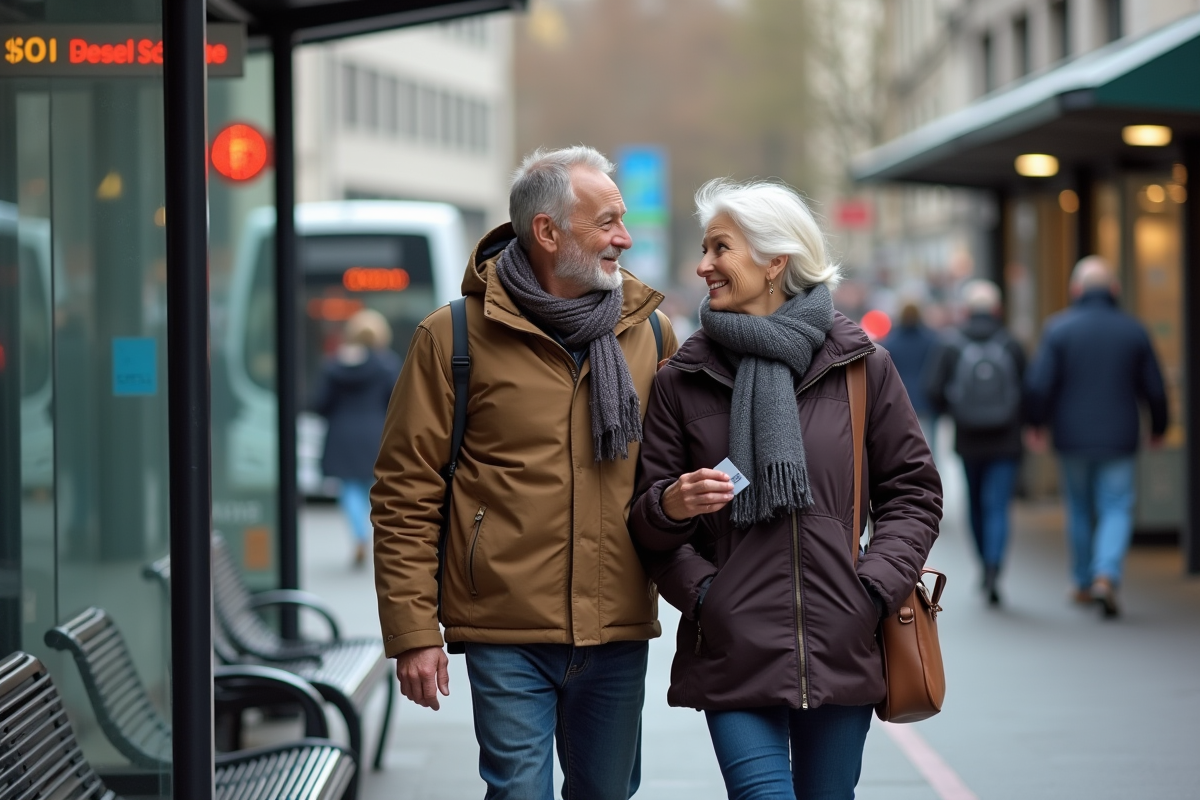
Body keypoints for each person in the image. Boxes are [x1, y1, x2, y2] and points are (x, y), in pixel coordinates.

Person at [371, 145, 678, 799]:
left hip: (616, 622)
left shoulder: (651, 335)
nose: (624, 238)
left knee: (607, 793)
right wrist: (412, 632)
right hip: (504, 624)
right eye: (607, 223)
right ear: (548, 231)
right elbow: (404, 494)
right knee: (518, 792)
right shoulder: (451, 338)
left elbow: (683, 467)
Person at [630, 179, 941, 799]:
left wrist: (871, 590)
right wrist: (703, 589)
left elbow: (913, 492)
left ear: (776, 260)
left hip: (842, 640)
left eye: (722, 248)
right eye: (705, 248)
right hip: (733, 647)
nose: (703, 265)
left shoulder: (859, 366)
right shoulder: (682, 378)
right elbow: (648, 525)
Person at [1025, 256, 1167, 618]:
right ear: (1115, 290)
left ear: (1076, 290)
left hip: (1072, 437)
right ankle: (1108, 573)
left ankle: (1084, 581)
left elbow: (1040, 384)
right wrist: (1160, 426)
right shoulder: (1133, 329)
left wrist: (1036, 423)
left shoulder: (1058, 328)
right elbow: (1154, 386)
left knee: (1079, 508)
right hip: (1120, 436)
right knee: (1117, 505)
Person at [924, 279, 1025, 606]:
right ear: (997, 309)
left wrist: (953, 412)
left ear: (965, 310)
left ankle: (984, 562)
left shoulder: (951, 344)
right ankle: (995, 565)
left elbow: (933, 389)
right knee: (998, 505)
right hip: (1006, 438)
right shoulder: (1011, 343)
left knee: (976, 504)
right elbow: (1029, 387)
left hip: (969, 438)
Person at [311, 308, 400, 567]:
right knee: (372, 488)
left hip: (342, 434)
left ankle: (359, 535)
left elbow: (320, 404)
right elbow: (395, 401)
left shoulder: (334, 364)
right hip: (375, 432)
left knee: (349, 488)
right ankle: (372, 533)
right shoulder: (387, 365)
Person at [881, 300, 940, 450]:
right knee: (929, 447)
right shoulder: (932, 340)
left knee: (904, 447)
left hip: (900, 399)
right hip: (927, 400)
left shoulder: (890, 343)